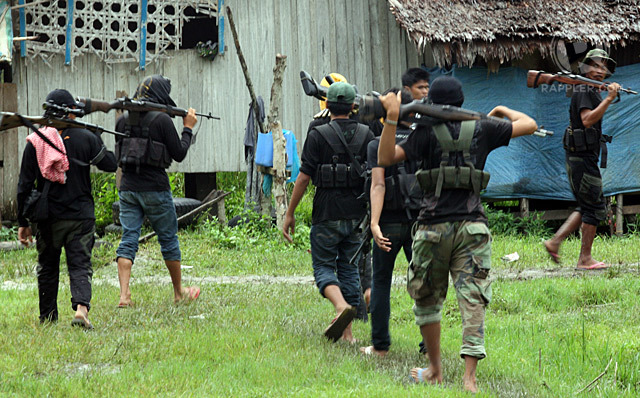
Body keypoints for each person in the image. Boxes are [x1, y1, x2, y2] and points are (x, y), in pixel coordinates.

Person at [377, 76, 538, 392]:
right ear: (463, 102)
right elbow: (529, 124)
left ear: (431, 104)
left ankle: (435, 370)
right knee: (473, 299)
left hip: (432, 227)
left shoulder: (424, 131)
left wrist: (392, 119)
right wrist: (499, 110)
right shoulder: (483, 127)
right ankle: (469, 379)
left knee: (426, 298)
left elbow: (384, 159)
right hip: (473, 228)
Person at [17, 89, 118, 329]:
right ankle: (81, 310)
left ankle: (48, 318)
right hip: (80, 216)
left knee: (48, 267)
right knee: (80, 265)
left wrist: (23, 222)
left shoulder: (36, 140)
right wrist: (97, 136)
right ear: (71, 113)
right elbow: (110, 164)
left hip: (48, 216)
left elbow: (23, 185)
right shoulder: (86, 137)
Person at [283, 82, 374, 343]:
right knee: (349, 270)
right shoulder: (367, 134)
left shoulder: (318, 134)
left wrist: (290, 213)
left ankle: (340, 307)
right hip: (357, 215)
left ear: (327, 105)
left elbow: (302, 178)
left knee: (323, 267)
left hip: (326, 213)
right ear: (353, 106)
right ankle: (348, 335)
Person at [114, 75, 200, 307]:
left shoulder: (122, 120)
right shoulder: (162, 120)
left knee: (128, 239)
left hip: (128, 189)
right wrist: (188, 129)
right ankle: (179, 293)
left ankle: (124, 296)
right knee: (168, 239)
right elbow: (179, 154)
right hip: (156, 189)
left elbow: (118, 156)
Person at [544, 49, 621, 270]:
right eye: (595, 65)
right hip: (582, 158)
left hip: (581, 156)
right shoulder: (586, 89)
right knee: (595, 206)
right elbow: (587, 120)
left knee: (587, 204)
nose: (599, 70)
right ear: (585, 67)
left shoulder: (589, 89)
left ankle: (555, 242)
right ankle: (584, 259)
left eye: (603, 67)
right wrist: (608, 99)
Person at [359, 88, 421, 357]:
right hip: (420, 222)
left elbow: (378, 185)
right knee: (424, 282)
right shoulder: (423, 138)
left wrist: (374, 223)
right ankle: (428, 346)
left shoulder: (377, 144)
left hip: (388, 223)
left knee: (381, 282)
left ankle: (380, 346)